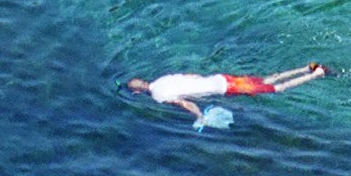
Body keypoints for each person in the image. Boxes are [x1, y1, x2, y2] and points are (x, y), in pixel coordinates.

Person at [128, 63, 329, 122]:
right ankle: (305, 68)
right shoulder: (162, 79)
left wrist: (200, 117)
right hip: (221, 78)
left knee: (276, 89)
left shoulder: (158, 97)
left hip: (225, 88)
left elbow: (184, 103)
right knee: (265, 79)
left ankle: (316, 74)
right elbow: (192, 76)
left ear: (138, 93)